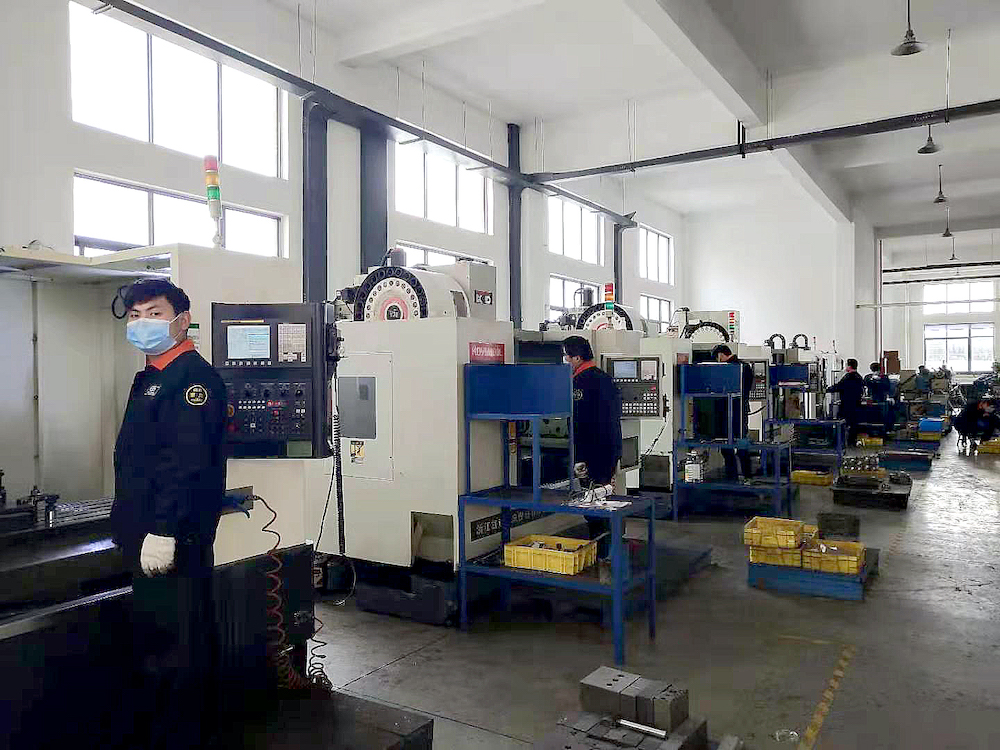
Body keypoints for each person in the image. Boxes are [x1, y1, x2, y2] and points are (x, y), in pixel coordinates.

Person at [110, 279, 227, 750]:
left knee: (181, 649)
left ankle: (183, 739)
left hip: (172, 541)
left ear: (181, 320)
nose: (142, 323)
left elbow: (187, 463)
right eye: (135, 315)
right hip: (144, 539)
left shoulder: (193, 380)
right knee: (159, 645)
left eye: (154, 313)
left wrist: (163, 531)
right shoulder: (151, 375)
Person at [562, 336, 622, 486]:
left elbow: (579, 421)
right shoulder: (605, 378)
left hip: (591, 453)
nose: (564, 359)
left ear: (577, 357)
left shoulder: (579, 382)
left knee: (590, 493)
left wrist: (579, 456)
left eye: (566, 355)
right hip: (611, 449)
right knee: (603, 491)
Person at [712, 344, 754, 481]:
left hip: (728, 412)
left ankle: (732, 477)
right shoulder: (745, 366)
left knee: (726, 445)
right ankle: (747, 476)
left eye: (717, 358)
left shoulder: (729, 368)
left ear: (720, 355)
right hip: (741, 412)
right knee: (741, 443)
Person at [828, 358, 865, 445]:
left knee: (841, 422)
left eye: (846, 365)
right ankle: (852, 441)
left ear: (849, 366)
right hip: (856, 404)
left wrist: (828, 389)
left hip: (847, 404)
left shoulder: (848, 377)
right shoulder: (859, 377)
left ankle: (839, 442)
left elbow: (839, 386)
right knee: (853, 423)